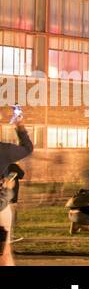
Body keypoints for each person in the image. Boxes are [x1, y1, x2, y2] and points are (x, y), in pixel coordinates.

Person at [0, 108, 33, 266]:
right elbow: (27, 148)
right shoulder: (4, 150)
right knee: (4, 253)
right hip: (0, 208)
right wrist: (20, 124)